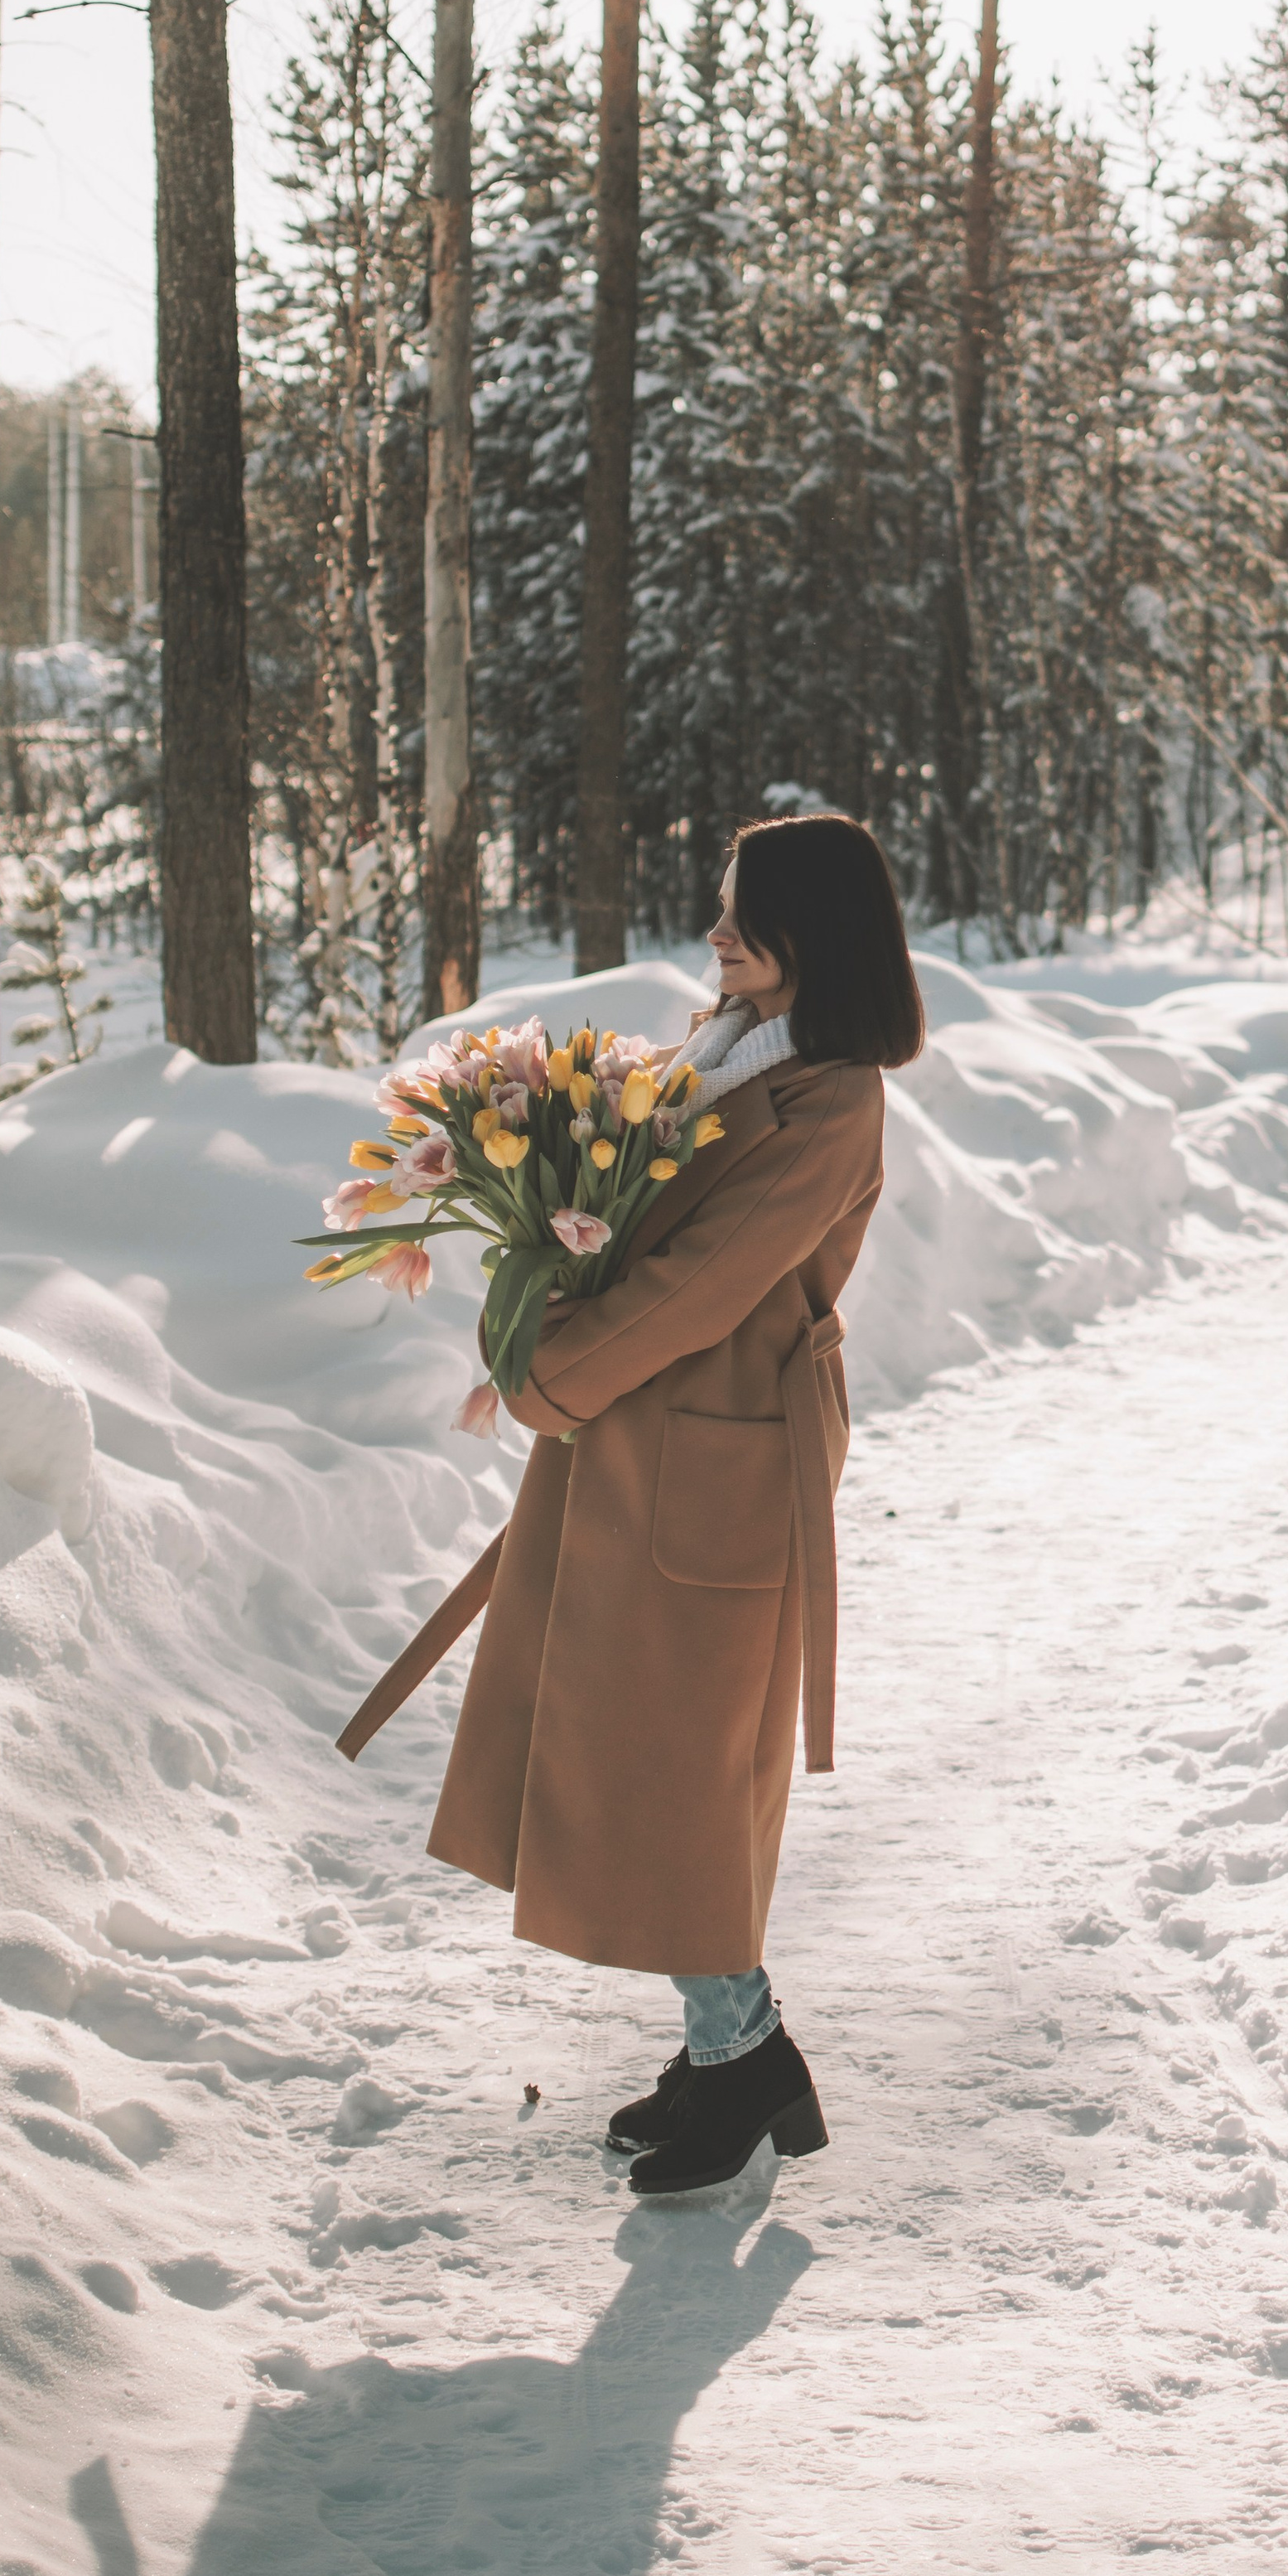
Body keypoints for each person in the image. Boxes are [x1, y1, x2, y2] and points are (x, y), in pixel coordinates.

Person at [343, 814, 924, 2197]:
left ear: (819, 939)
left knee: (677, 1773)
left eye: (747, 918)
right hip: (644, 1436)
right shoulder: (727, 1049)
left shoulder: (831, 1100)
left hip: (716, 1457)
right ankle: (729, 2050)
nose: (717, 935)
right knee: (632, 1753)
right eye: (722, 910)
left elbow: (709, 1282)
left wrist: (551, 1379)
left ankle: (745, 2053)